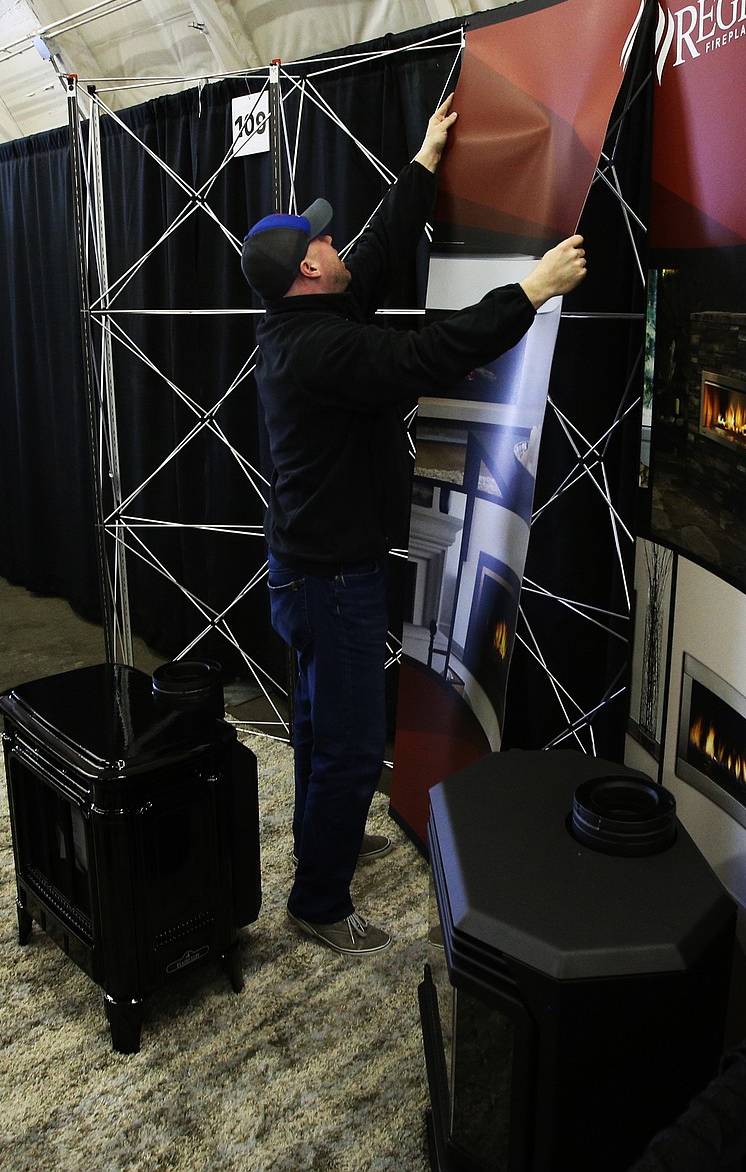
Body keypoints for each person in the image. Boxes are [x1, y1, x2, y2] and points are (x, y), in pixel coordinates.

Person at [241, 94, 586, 955]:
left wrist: (426, 159)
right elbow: (425, 353)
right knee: (356, 745)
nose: (336, 240)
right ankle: (318, 901)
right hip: (331, 579)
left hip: (307, 569)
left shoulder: (308, 318)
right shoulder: (322, 349)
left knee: (320, 724)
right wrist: (531, 291)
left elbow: (384, 252)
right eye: (323, 241)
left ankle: (320, 843)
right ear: (307, 271)